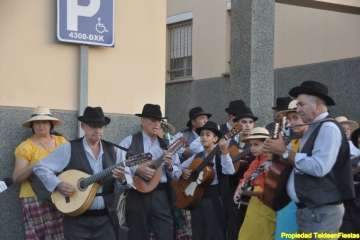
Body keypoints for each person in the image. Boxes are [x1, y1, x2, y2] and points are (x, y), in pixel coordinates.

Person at [264, 81, 354, 238]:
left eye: (301, 105)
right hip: (311, 211)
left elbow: (319, 167)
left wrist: (284, 151)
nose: (298, 109)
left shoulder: (328, 128)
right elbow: (302, 164)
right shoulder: (313, 128)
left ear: (318, 106)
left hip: (321, 212)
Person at [33, 106, 125, 240]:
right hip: (76, 221)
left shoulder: (113, 150)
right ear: (83, 126)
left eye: (100, 126)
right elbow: (40, 167)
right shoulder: (69, 148)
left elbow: (122, 186)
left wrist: (122, 179)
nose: (97, 130)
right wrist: (58, 184)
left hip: (106, 220)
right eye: (92, 125)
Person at [117, 103, 182, 240]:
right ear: (142, 121)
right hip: (137, 195)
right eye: (152, 120)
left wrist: (170, 167)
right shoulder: (128, 142)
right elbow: (119, 167)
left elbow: (177, 173)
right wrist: (136, 169)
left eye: (158, 120)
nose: (156, 124)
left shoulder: (166, 144)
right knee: (137, 234)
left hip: (161, 196)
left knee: (166, 233)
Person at [12, 106, 67, 240]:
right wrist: (34, 165)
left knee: (60, 235)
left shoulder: (61, 142)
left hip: (59, 194)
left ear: (51, 124)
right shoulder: (26, 147)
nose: (41, 125)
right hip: (34, 197)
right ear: (32, 125)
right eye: (37, 122)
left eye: (44, 122)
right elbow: (16, 178)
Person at [181, 121, 235, 240]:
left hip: (214, 198)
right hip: (197, 198)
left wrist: (225, 151)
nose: (204, 137)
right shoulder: (197, 156)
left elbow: (230, 171)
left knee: (214, 232)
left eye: (208, 134)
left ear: (215, 138)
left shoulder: (221, 154)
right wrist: (184, 172)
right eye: (202, 134)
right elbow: (181, 168)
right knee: (198, 232)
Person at [274, 100, 308, 239]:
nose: (291, 122)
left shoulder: (311, 141)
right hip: (288, 203)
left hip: (304, 204)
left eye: (295, 117)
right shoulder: (293, 141)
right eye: (289, 119)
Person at [234, 127, 275, 240]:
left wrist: (249, 192)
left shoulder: (272, 161)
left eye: (256, 144)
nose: (252, 148)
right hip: (253, 204)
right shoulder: (255, 161)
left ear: (266, 144)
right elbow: (246, 177)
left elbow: (272, 188)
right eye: (251, 145)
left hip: (266, 205)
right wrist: (239, 188)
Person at [224, 103, 258, 240]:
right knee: (233, 227)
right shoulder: (229, 143)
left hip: (252, 192)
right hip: (231, 191)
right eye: (244, 122)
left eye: (251, 122)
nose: (248, 125)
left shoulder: (257, 143)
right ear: (236, 124)